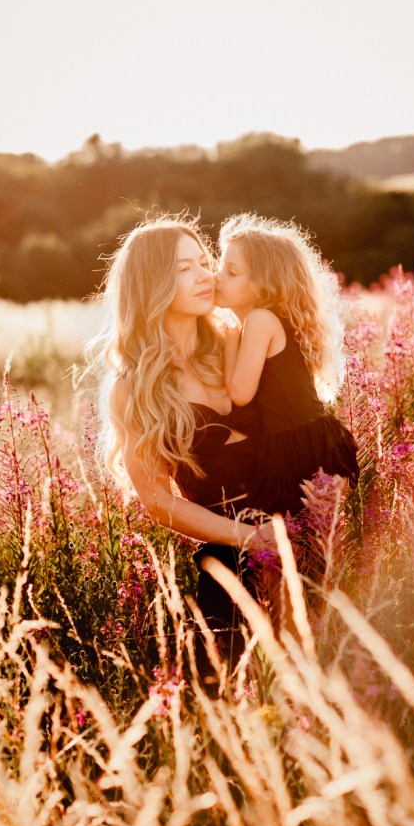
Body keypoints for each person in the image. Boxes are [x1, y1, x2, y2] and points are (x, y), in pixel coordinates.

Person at [90, 215, 272, 677]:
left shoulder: (240, 340)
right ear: (152, 282)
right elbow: (156, 500)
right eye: (183, 268)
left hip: (307, 532)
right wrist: (250, 539)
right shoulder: (136, 387)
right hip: (231, 559)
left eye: (204, 263)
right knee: (225, 693)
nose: (205, 276)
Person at [215, 213, 359, 517]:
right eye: (220, 267)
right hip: (311, 438)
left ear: (262, 284)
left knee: (296, 543)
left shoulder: (259, 320)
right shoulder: (271, 321)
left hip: (294, 446)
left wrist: (228, 342)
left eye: (231, 272)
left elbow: (240, 393)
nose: (217, 277)